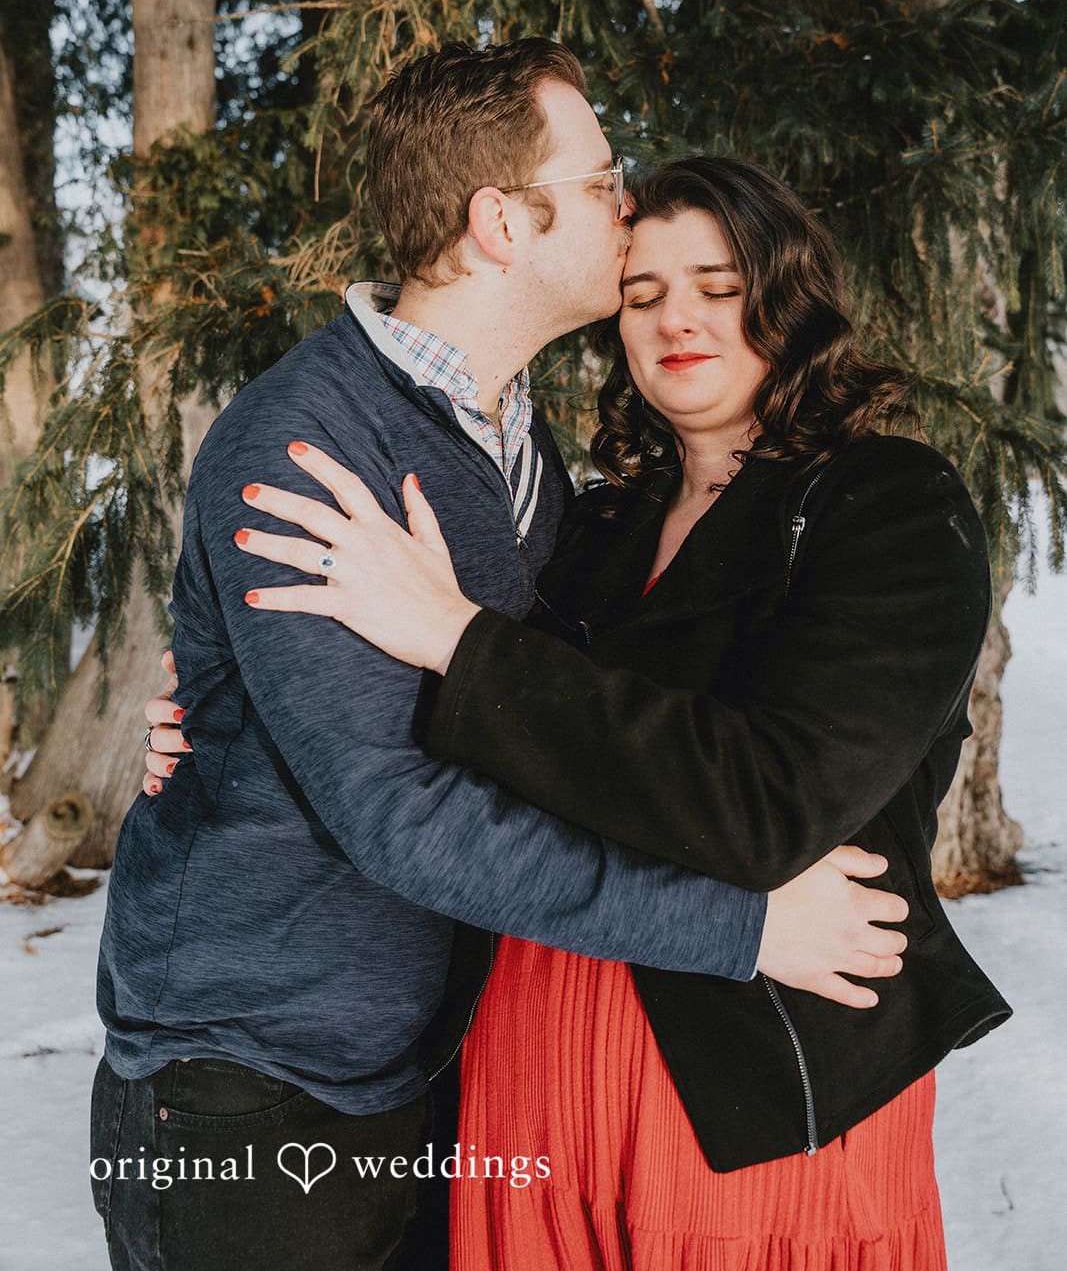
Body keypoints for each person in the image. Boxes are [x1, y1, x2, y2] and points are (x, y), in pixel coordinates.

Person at [98, 45, 906, 1271]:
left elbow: (568, 714)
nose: (623, 206)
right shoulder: (307, 447)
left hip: (432, 1065)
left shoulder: (521, 444)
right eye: (598, 182)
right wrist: (741, 929)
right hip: (256, 1088)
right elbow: (398, 818)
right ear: (497, 223)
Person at [223, 155, 1011, 1269]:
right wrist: (222, 706)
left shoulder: (886, 504)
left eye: (716, 284)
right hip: (534, 1056)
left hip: (752, 1079)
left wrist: (454, 634)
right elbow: (456, 738)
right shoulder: (589, 527)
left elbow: (765, 803)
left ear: (785, 296)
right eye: (641, 295)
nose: (675, 319)